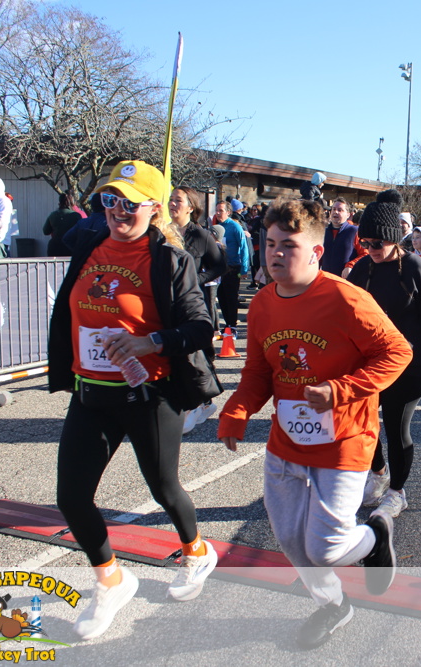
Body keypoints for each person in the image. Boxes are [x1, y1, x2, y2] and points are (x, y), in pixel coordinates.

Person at [217, 199, 410, 649]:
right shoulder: (262, 304)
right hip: (287, 442)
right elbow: (258, 372)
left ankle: (374, 534)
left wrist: (340, 390)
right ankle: (333, 605)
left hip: (345, 440)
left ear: (316, 252)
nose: (275, 253)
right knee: (291, 540)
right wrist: (236, 411)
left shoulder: (346, 299)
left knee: (324, 548)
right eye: (270, 244)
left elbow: (398, 352)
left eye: (288, 245)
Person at [47, 160, 219, 640]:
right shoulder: (89, 245)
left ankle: (197, 551)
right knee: (71, 497)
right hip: (91, 393)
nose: (117, 211)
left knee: (164, 488)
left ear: (154, 208)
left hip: (149, 395)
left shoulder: (170, 260)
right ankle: (111, 580)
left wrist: (151, 342)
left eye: (129, 204)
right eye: (109, 200)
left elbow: (200, 327)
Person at [348, 192, 421, 518]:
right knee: (360, 424)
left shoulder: (415, 268)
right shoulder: (362, 269)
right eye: (365, 242)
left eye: (377, 243)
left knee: (396, 429)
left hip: (408, 363)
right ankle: (379, 473)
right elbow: (345, 313)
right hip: (369, 363)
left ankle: (397, 492)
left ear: (394, 239)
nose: (371, 249)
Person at [170, 185, 227, 433]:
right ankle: (198, 401)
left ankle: (196, 403)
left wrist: (196, 280)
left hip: (193, 302)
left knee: (197, 353)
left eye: (178, 200)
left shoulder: (201, 235)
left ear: (191, 207)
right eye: (171, 199)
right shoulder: (162, 232)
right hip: (169, 302)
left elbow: (220, 266)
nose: (172, 204)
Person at [214, 200, 250, 335]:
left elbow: (244, 247)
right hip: (220, 267)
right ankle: (227, 324)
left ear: (228, 212)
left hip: (233, 267)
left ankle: (233, 325)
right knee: (221, 296)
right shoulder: (217, 227)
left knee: (231, 297)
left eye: (221, 211)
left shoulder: (235, 227)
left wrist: (244, 269)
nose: (218, 213)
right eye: (217, 210)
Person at [321, 197, 365, 277]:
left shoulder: (354, 231)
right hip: (325, 279)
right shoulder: (324, 232)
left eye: (340, 210)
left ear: (348, 214)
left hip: (345, 280)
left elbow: (365, 254)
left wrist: (350, 265)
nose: (335, 212)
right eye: (334, 209)